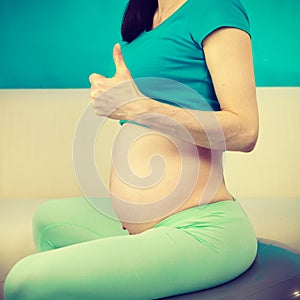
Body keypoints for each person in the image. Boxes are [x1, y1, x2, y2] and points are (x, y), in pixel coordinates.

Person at [4, 0, 259, 299]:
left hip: (201, 226)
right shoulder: (145, 21)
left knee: (23, 282)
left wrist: (142, 108)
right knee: (49, 219)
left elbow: (246, 130)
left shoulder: (214, 7)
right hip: (146, 226)